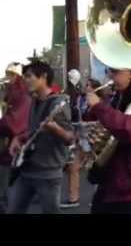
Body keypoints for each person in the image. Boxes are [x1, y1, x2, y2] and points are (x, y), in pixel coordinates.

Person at [84, 66, 131, 214]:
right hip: (112, 180)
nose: (110, 76)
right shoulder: (119, 99)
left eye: (115, 72)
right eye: (108, 71)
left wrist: (98, 107)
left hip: (128, 182)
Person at [7, 61, 74, 214]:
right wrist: (18, 138)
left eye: (29, 76)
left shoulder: (58, 103)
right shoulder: (34, 101)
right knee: (13, 209)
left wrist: (55, 128)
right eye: (24, 77)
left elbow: (70, 138)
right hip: (27, 168)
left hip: (48, 173)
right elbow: (34, 131)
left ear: (43, 76)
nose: (25, 80)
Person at [61, 78, 106, 209]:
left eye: (88, 85)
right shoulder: (82, 100)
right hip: (82, 137)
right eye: (85, 84)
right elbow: (80, 117)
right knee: (73, 167)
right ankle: (73, 198)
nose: (85, 86)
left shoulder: (100, 101)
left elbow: (103, 119)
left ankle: (99, 197)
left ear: (94, 87)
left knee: (97, 167)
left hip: (96, 137)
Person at [0, 63, 31, 213]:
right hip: (6, 145)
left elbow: (14, 123)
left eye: (11, 75)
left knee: (7, 189)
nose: (8, 78)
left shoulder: (23, 96)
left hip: (14, 147)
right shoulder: (11, 93)